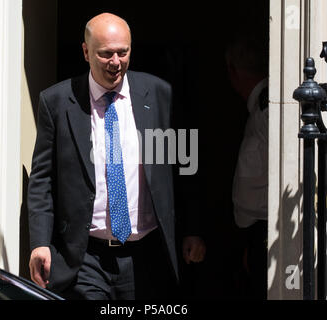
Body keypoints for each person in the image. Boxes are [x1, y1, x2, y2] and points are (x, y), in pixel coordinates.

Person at [27, 12, 205, 300]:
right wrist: (39, 242)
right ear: (86, 52)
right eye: (106, 54)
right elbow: (42, 179)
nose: (116, 62)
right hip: (85, 257)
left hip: (146, 255)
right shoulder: (57, 102)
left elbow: (185, 165)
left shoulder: (160, 94)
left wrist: (194, 229)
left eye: (123, 52)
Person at [226, 29, 269, 299]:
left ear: (234, 71)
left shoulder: (269, 108)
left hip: (267, 234)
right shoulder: (258, 106)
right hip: (254, 236)